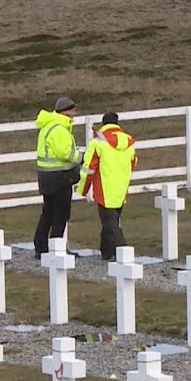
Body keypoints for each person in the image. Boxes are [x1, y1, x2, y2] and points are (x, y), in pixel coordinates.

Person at [77, 112, 137, 261]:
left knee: (110, 223)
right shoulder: (128, 143)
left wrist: (83, 189)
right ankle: (106, 252)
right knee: (112, 220)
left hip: (104, 187)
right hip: (121, 187)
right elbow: (133, 163)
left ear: (103, 124)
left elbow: (88, 168)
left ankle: (123, 252)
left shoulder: (98, 143)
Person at [33, 96, 83, 257]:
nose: (74, 114)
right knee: (61, 213)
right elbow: (65, 153)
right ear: (66, 111)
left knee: (48, 212)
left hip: (46, 176)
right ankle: (57, 248)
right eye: (73, 110)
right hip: (59, 177)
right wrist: (82, 157)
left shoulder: (48, 126)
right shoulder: (59, 129)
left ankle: (41, 247)